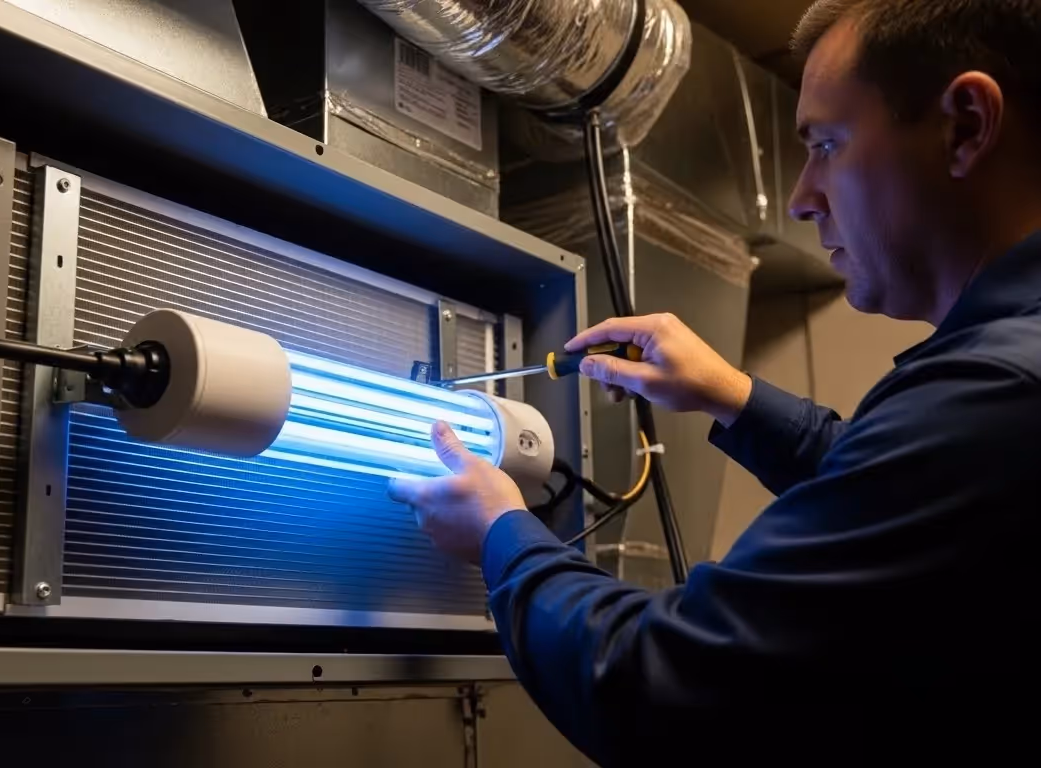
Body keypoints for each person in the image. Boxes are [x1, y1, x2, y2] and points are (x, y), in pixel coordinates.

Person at [389, 1, 1041, 765]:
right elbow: (899, 488)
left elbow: (660, 687)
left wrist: (502, 531)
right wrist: (730, 394)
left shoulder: (992, 391)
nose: (802, 197)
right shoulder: (1001, 389)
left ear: (964, 125)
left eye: (827, 144)